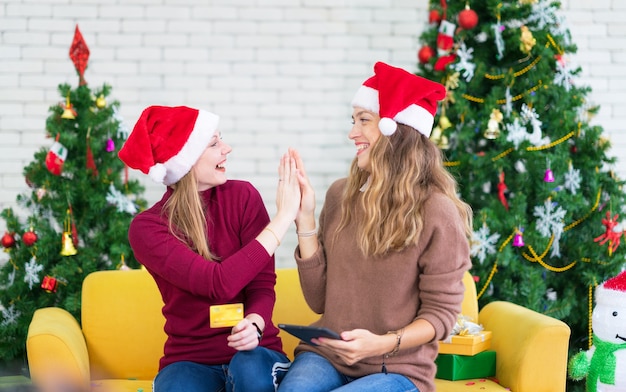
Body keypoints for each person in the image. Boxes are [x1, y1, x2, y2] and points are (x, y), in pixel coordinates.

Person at [278, 62, 473, 392]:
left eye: (363, 120)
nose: (352, 133)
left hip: (396, 368)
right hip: (326, 356)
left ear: (393, 128)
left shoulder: (437, 212)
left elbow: (441, 316)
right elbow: (319, 301)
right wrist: (306, 219)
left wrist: (380, 344)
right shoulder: (341, 195)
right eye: (353, 121)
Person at [118, 105, 301, 392]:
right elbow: (218, 284)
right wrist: (283, 218)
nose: (226, 148)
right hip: (190, 360)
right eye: (214, 143)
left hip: (256, 352)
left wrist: (255, 323)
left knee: (248, 368)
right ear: (187, 160)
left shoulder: (243, 197)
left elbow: (262, 284)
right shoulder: (148, 228)